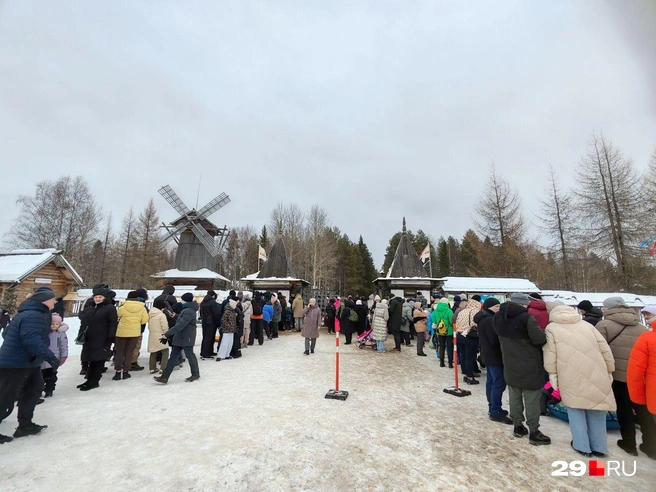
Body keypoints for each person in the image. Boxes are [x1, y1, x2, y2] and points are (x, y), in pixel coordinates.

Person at [543, 305, 616, 457]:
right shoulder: (587, 326)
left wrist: (552, 375)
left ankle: (582, 445)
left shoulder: (552, 328)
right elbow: (605, 349)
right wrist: (609, 369)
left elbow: (550, 354)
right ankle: (600, 447)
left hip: (569, 373)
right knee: (597, 409)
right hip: (596, 370)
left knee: (575, 409)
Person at [0, 287, 60, 442]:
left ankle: (25, 425)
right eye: (53, 298)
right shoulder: (33, 315)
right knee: (6, 397)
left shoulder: (35, 313)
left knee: (33, 390)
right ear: (45, 300)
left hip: (29, 362)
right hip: (15, 363)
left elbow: (7, 333)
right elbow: (31, 340)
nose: (55, 301)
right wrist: (50, 357)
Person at [595, 296, 649, 457]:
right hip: (640, 376)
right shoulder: (641, 327)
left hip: (617, 375)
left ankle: (629, 444)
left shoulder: (603, 325)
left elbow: (598, 351)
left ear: (609, 308)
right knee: (643, 410)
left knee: (624, 409)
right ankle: (651, 446)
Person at [494, 292, 550, 445]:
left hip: (509, 361)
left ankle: (518, 426)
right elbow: (539, 339)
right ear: (524, 304)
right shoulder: (526, 318)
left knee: (515, 394)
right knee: (532, 397)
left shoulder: (498, 316)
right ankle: (534, 431)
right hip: (529, 362)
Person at [475, 297, 511, 424]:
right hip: (495, 355)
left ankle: (493, 407)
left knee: (491, 381)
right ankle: (495, 410)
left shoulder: (483, 318)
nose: (498, 309)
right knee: (498, 383)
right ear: (490, 307)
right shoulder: (490, 320)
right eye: (496, 307)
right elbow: (494, 340)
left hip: (488, 354)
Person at [154, 293, 200, 383]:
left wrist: (167, 334)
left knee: (190, 356)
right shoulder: (187, 310)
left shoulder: (189, 311)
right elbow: (183, 320)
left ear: (185, 300)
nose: (181, 301)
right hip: (181, 337)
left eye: (182, 299)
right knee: (173, 357)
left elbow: (181, 325)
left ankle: (195, 374)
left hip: (186, 337)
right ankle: (164, 377)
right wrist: (175, 316)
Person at [78, 287, 117, 391]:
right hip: (90, 338)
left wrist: (110, 338)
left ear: (105, 298)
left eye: (100, 297)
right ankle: (88, 380)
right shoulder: (92, 307)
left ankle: (94, 381)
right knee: (91, 359)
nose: (98, 299)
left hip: (102, 338)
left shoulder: (110, 308)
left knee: (98, 360)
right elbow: (85, 322)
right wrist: (81, 334)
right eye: (96, 297)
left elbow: (113, 323)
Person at [627, 327, 656, 459]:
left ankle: (651, 447)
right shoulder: (643, 331)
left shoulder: (648, 337)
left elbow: (636, 371)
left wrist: (638, 397)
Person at [113, 291, 149, 381]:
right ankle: (126, 372)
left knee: (120, 352)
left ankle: (117, 372)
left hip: (121, 332)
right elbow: (145, 320)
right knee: (129, 352)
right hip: (134, 333)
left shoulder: (122, 306)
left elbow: (118, 316)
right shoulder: (142, 307)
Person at [456, 295, 482, 385]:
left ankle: (466, 373)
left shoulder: (462, 311)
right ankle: (470, 376)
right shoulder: (475, 311)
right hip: (470, 335)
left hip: (460, 335)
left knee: (463, 355)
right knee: (470, 357)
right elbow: (475, 323)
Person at [41, 313, 68, 398]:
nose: (54, 326)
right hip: (43, 358)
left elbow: (64, 346)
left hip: (54, 358)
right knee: (40, 376)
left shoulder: (61, 333)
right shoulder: (44, 332)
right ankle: (39, 390)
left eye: (57, 324)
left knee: (51, 376)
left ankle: (49, 389)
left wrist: (64, 356)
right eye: (52, 324)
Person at [429, 298, 454, 368]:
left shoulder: (436, 311)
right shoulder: (449, 311)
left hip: (439, 331)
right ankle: (450, 363)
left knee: (441, 346)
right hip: (449, 332)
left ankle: (442, 362)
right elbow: (451, 321)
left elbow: (434, 320)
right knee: (449, 347)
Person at [148, 299, 170, 374]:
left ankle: (152, 368)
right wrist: (166, 334)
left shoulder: (150, 313)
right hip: (161, 335)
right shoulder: (161, 315)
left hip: (152, 334)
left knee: (153, 351)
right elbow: (164, 326)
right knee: (165, 351)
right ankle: (163, 368)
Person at [131, 288, 149, 371]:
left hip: (126, 328)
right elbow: (145, 317)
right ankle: (133, 362)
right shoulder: (142, 305)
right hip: (138, 328)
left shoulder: (128, 303)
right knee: (136, 345)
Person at [199, 290, 222, 359]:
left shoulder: (203, 302)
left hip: (205, 322)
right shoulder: (212, 302)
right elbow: (216, 313)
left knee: (205, 337)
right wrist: (218, 322)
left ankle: (204, 351)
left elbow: (201, 312)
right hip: (212, 322)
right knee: (210, 338)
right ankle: (207, 352)